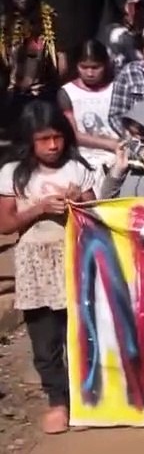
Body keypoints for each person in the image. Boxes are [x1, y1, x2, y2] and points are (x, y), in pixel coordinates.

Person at [0, 101, 96, 434]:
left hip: (73, 259)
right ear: (29, 140)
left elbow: (96, 213)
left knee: (80, 334)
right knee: (45, 339)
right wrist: (39, 208)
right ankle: (58, 400)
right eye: (44, 139)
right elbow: (6, 224)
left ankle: (85, 400)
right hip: (35, 264)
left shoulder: (76, 168)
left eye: (58, 137)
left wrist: (79, 203)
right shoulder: (11, 173)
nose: (53, 146)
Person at [58, 40, 120, 187]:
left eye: (95, 67)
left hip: (117, 158)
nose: (90, 73)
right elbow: (73, 134)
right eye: (84, 67)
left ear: (105, 64)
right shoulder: (68, 93)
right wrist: (111, 144)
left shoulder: (116, 88)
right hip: (86, 161)